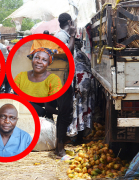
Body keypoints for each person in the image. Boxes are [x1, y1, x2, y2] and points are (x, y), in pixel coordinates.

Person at [14, 47, 62, 116]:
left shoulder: (54, 79)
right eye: (36, 57)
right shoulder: (21, 76)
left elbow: (50, 106)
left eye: (44, 60)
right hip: (22, 115)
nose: (39, 61)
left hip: (43, 119)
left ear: (48, 64)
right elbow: (17, 100)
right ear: (32, 60)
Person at [54, 13, 76, 159]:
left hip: (64, 81)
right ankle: (60, 150)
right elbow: (66, 53)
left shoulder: (62, 36)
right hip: (62, 82)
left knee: (64, 114)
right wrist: (73, 35)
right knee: (64, 115)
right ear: (69, 22)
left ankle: (59, 146)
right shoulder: (62, 37)